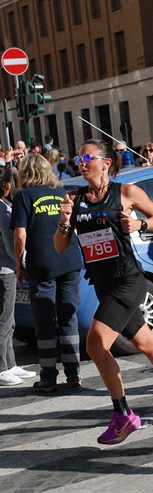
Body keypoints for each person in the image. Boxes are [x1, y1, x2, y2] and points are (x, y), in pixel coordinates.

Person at [54, 139, 153, 444]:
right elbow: (60, 247)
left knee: (95, 344)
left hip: (129, 279)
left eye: (87, 157)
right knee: (146, 343)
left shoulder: (125, 193)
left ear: (106, 163)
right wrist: (65, 221)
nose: (80, 162)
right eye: (77, 157)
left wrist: (140, 225)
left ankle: (123, 414)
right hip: (104, 282)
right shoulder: (74, 197)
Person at [10, 153, 83, 392]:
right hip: (70, 260)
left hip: (42, 265)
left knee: (44, 323)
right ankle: (74, 375)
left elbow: (20, 235)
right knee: (68, 318)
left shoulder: (23, 197)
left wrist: (19, 266)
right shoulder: (61, 193)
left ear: (24, 173)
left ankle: (49, 377)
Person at [0, 167, 36, 385]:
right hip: (5, 270)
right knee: (4, 321)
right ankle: (2, 367)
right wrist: (21, 264)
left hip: (5, 269)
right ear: (7, 186)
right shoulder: (3, 210)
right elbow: (9, 242)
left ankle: (10, 363)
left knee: (9, 321)